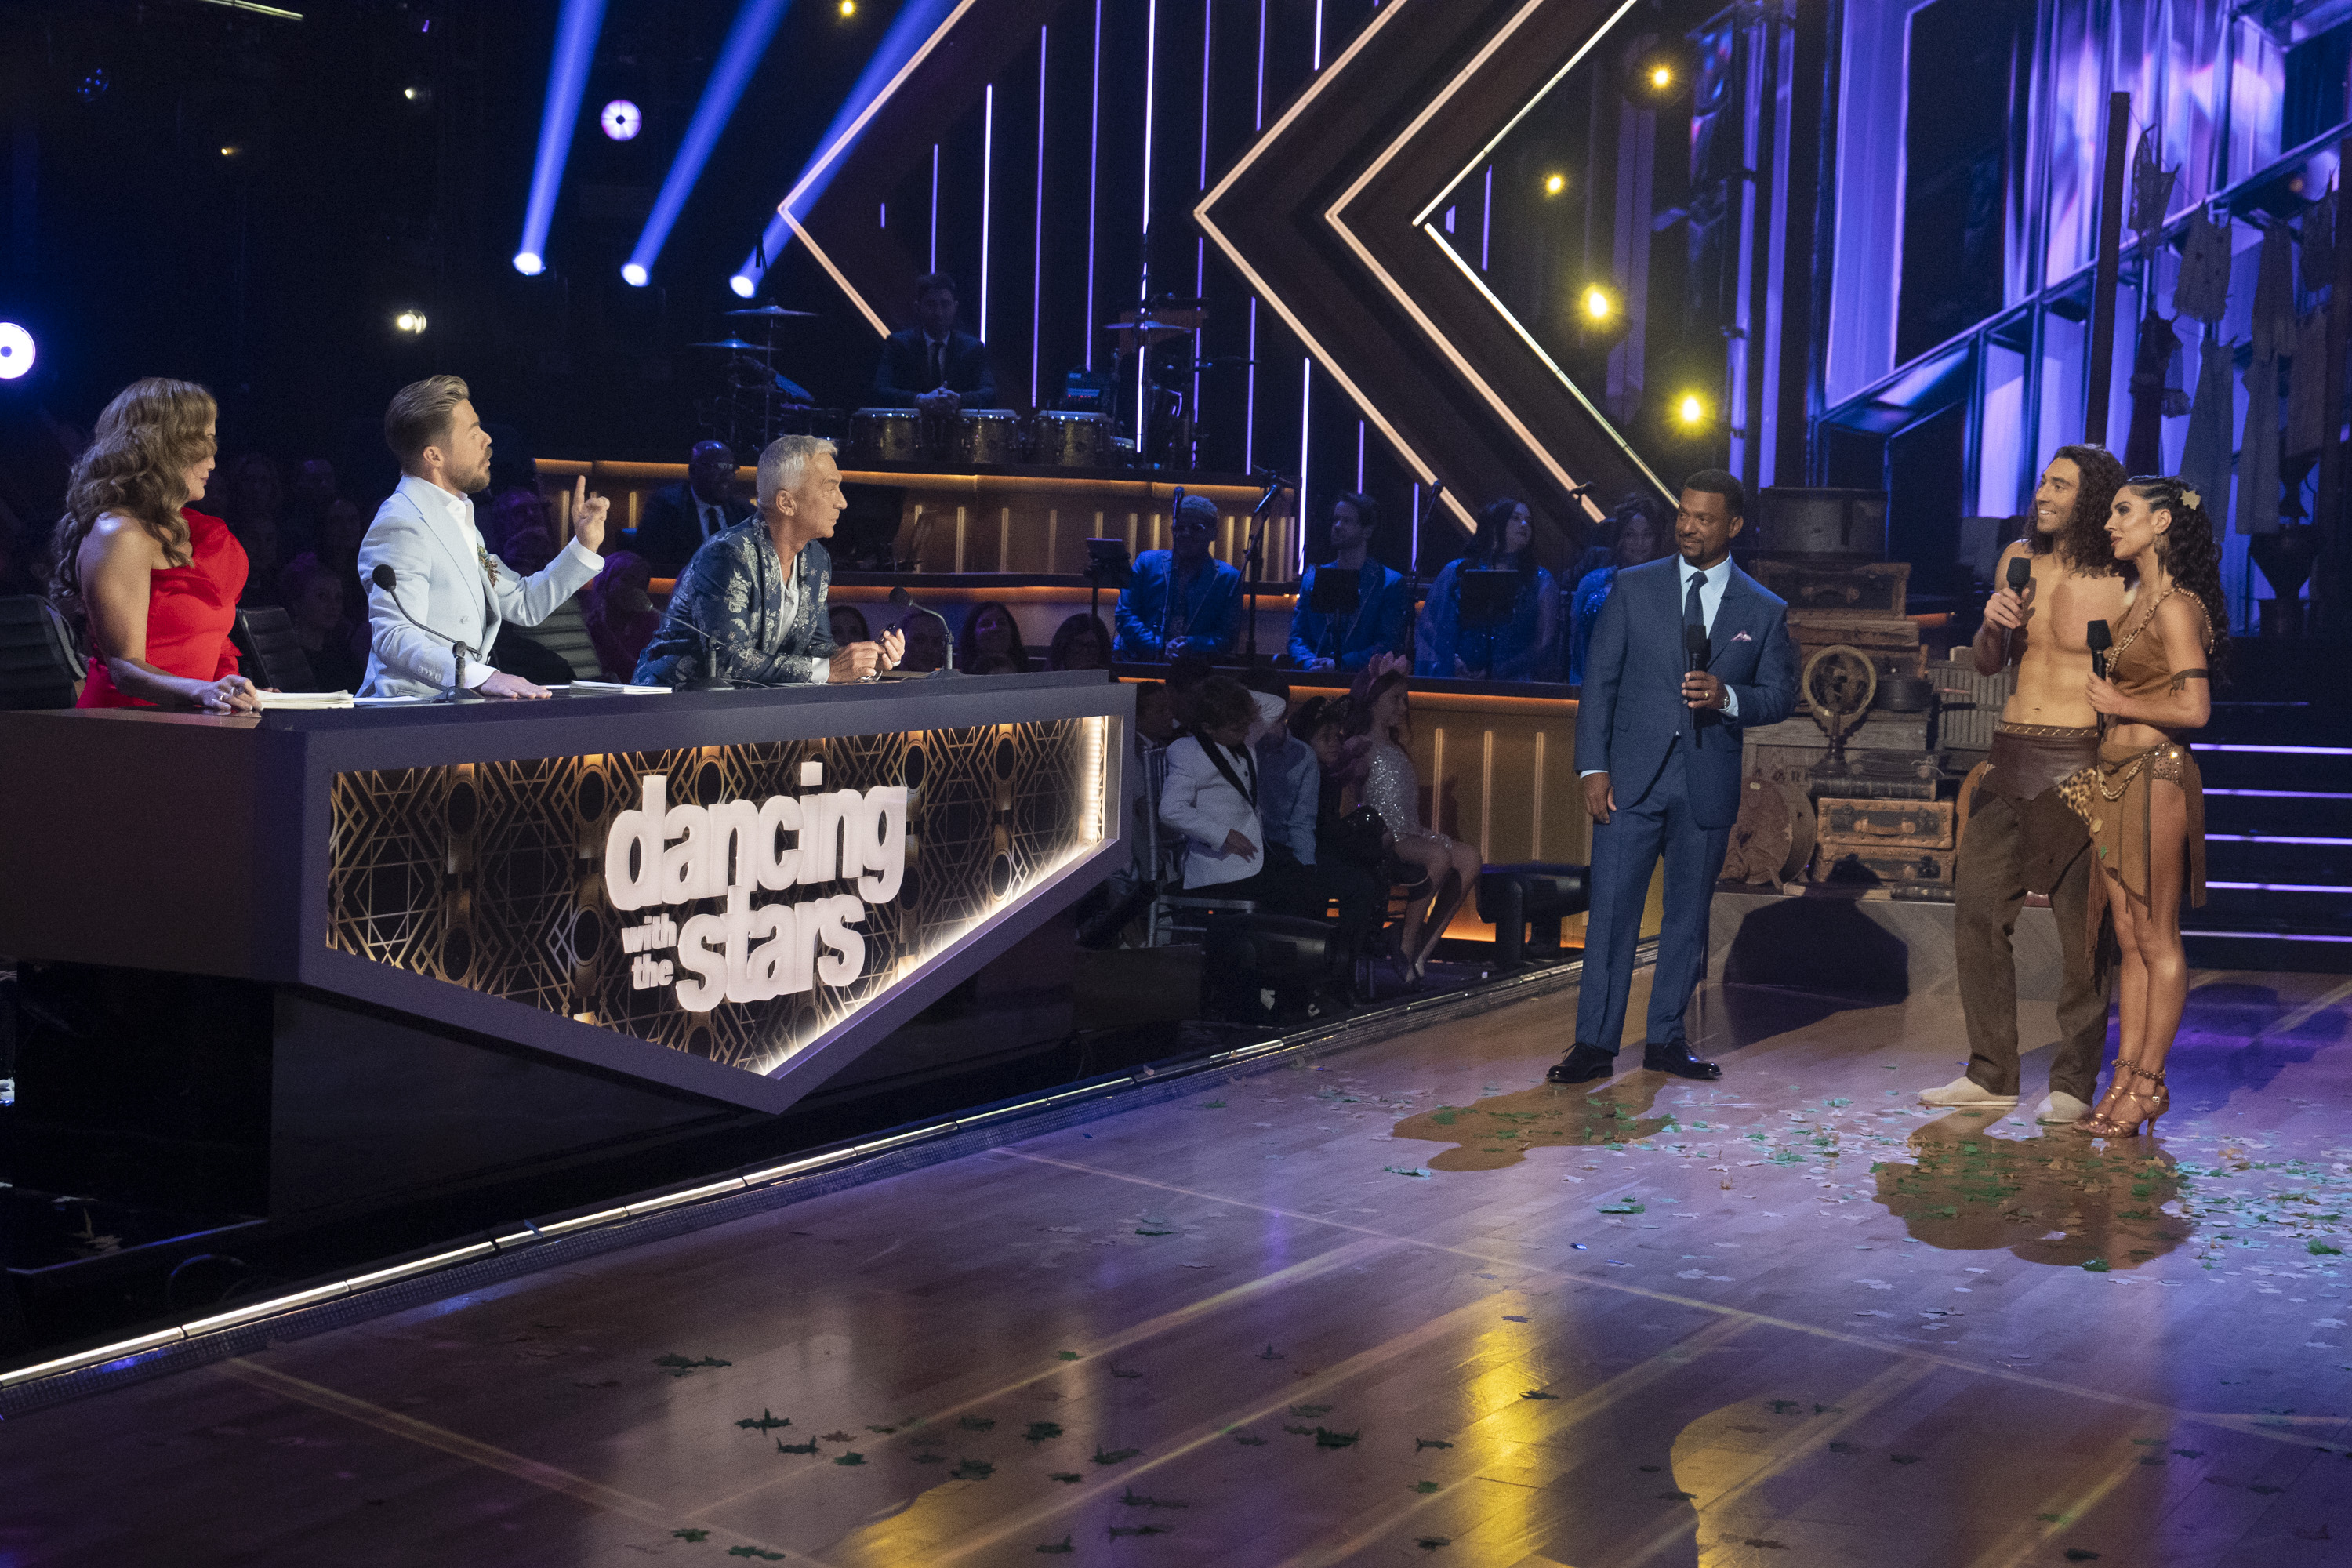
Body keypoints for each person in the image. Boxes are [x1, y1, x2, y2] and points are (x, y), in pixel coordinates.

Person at [1550, 470, 1798, 1084]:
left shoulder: (1763, 610)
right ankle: (1594, 1044)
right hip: (1630, 779)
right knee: (1611, 914)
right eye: (1683, 513)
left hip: (1706, 782)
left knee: (1686, 918)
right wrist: (1593, 766)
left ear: (1733, 526)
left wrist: (1728, 697)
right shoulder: (1632, 589)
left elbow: (1780, 696)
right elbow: (1599, 682)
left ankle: (1665, 1039)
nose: (1687, 526)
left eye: (1704, 518)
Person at [1920, 445, 2129, 1123]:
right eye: (2043, 481)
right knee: (1977, 910)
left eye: (2061, 485)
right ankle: (1990, 1073)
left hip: (2081, 761)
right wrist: (1989, 623)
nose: (2043, 493)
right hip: (2010, 754)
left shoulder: (2122, 577)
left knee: (2082, 937)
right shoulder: (2019, 560)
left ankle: (2072, 1083)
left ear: (2091, 498)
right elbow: (1988, 665)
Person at [2071, 476, 2227, 1138]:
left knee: (2157, 937)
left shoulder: (2175, 607)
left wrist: (2122, 705)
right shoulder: (2138, 598)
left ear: (2162, 523)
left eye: (2124, 512)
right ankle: (2124, 1075)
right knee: (2128, 939)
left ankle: (2150, 1083)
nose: (2110, 523)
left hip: (2157, 775)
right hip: (2111, 776)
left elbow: (2196, 710)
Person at [358, 375, 608, 700]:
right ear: (434, 456)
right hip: (408, 714)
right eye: (473, 432)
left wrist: (584, 545)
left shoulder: (457, 514)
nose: (488, 439)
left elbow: (523, 603)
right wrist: (479, 676)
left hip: (454, 708)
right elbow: (393, 635)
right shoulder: (401, 523)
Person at [49, 377, 260, 713]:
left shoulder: (204, 536)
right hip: (125, 728)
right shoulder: (119, 533)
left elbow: (213, 645)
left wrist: (235, 691)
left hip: (191, 724)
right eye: (205, 442)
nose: (213, 461)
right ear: (165, 445)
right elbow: (124, 667)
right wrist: (202, 691)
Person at [634, 434, 903, 687]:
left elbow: (818, 651)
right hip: (671, 706)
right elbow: (728, 663)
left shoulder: (817, 560)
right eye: (830, 488)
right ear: (786, 502)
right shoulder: (728, 555)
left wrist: (865, 660)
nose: (842, 502)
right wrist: (830, 669)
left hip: (745, 710)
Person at [1342, 672, 1483, 984]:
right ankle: (1404, 940)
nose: (1403, 707)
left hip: (1410, 832)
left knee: (1470, 858)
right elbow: (1349, 792)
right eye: (1395, 699)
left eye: (1404, 700)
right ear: (1372, 701)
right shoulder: (1359, 746)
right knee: (1438, 857)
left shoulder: (1395, 745)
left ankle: (1422, 946)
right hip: (1383, 836)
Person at [1157, 676, 1304, 908]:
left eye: (1246, 725)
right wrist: (1222, 835)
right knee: (1293, 892)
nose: (1246, 731)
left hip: (1256, 855)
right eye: (1238, 728)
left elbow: (1277, 704)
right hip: (1220, 867)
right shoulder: (1188, 752)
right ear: (1208, 727)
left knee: (1305, 880)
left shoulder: (1244, 734)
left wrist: (1230, 695)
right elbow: (1171, 810)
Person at [1415, 497, 1560, 681]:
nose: (1524, 524)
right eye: (1515, 518)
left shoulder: (1540, 580)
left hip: (1513, 685)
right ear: (1494, 525)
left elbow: (1543, 644)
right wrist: (1453, 659)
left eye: (1529, 521)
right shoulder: (1458, 571)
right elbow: (1428, 623)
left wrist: (1498, 672)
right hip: (1456, 677)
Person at [1287, 492, 1410, 671]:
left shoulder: (1389, 583)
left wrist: (1340, 663)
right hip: (1315, 676)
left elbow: (1388, 644)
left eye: (1347, 521)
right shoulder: (1312, 579)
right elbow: (1297, 637)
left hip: (1361, 682)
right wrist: (1309, 662)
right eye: (1336, 519)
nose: (1337, 526)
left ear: (1367, 531)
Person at [1113, 494, 1243, 661]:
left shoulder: (1229, 578)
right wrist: (1158, 646)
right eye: (1179, 528)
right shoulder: (1147, 563)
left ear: (1214, 534)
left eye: (1196, 528)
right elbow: (1125, 615)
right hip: (1138, 660)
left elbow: (1226, 637)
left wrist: (1191, 644)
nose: (1186, 534)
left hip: (1193, 670)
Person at [1569, 495, 1668, 684]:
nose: (1639, 543)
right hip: (1592, 689)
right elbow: (1575, 645)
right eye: (1631, 534)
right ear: (1619, 538)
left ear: (1657, 539)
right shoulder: (1592, 583)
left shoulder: (1670, 587)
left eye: (1647, 534)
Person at [873, 272, 998, 414]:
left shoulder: (973, 348)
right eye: (931, 304)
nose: (938, 313)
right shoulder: (898, 344)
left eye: (945, 305)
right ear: (917, 307)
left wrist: (959, 400)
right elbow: (880, 390)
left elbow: (990, 393)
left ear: (955, 307)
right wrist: (920, 400)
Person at [633, 441, 752, 575]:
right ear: (693, 470)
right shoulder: (666, 507)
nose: (727, 476)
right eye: (719, 467)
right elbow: (654, 562)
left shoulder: (744, 512)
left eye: (731, 468)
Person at [278, 550, 368, 693]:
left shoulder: (344, 659)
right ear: (297, 602)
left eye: (338, 597)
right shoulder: (281, 658)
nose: (333, 605)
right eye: (322, 596)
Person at [584, 551, 662, 681]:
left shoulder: (649, 621)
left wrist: (610, 641)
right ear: (607, 579)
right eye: (628, 580)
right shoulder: (587, 620)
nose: (635, 590)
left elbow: (643, 675)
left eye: (641, 585)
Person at [220, 452, 286, 605]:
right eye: (249, 480)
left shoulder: (274, 584)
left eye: (263, 481)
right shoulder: (222, 529)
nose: (256, 488)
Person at [959, 599, 1032, 672]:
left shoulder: (1031, 677)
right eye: (986, 624)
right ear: (972, 634)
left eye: (1001, 623)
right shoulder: (961, 680)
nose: (995, 628)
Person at [1047, 612, 1112, 671]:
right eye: (1077, 644)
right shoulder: (1047, 681)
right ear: (1063, 648)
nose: (1085, 652)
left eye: (1092, 646)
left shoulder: (1111, 681)